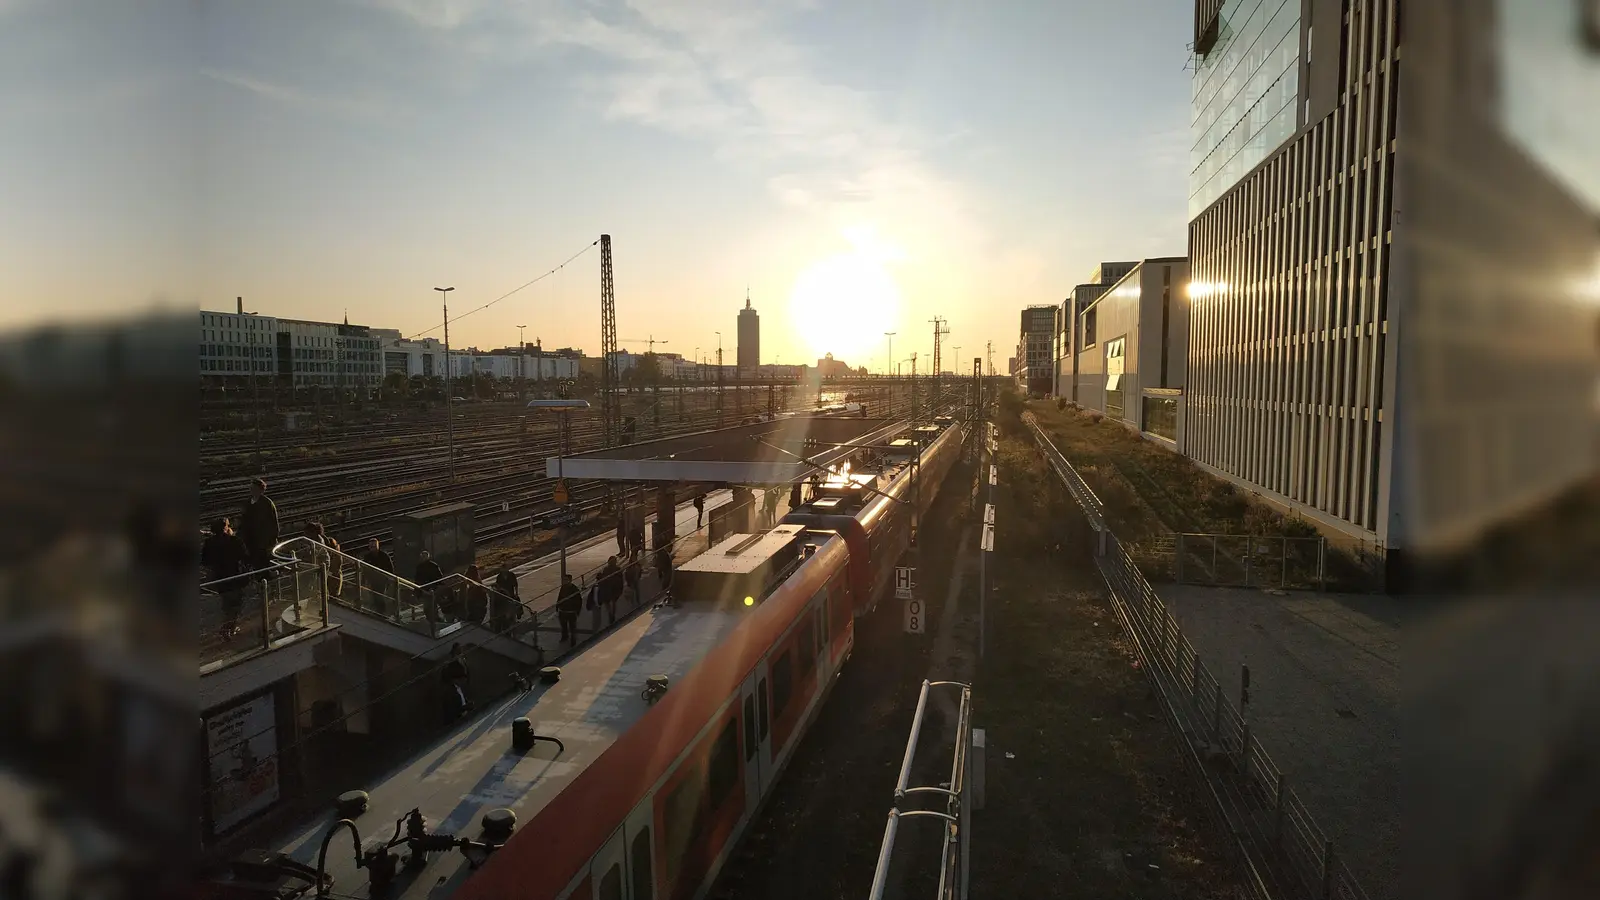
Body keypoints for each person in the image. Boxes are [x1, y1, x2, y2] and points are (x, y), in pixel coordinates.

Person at [201, 518, 248, 640]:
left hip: (219, 577)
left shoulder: (209, 543)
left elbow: (204, 561)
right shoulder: (234, 540)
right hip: (235, 575)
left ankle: (228, 627)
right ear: (226, 528)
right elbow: (244, 555)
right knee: (236, 603)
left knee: (227, 603)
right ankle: (228, 628)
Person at [238, 478, 279, 586]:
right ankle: (259, 584)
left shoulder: (267, 503)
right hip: (250, 540)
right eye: (251, 488)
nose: (251, 490)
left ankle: (266, 587)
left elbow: (274, 523)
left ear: (261, 490)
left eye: (254, 488)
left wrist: (272, 540)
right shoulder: (247, 503)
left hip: (262, 541)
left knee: (263, 565)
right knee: (254, 564)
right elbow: (243, 521)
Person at [361, 538, 396, 616]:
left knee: (380, 595)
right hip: (372, 580)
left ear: (378, 546)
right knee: (374, 596)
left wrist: (390, 579)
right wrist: (363, 581)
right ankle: (377, 611)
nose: (373, 548)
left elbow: (390, 568)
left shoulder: (384, 556)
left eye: (374, 546)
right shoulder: (367, 557)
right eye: (371, 546)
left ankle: (381, 612)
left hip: (382, 580)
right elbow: (365, 569)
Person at [441, 643, 471, 719]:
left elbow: (466, 669)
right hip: (458, 681)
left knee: (462, 696)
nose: (461, 650)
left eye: (461, 649)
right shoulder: (452, 661)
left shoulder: (463, 658)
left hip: (462, 682)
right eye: (459, 649)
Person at [415, 551, 445, 626]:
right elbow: (439, 577)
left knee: (428, 606)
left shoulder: (419, 567)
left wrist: (417, 591)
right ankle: (435, 619)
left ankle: (431, 620)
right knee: (433, 605)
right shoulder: (434, 565)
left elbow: (417, 580)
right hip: (433, 588)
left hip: (424, 589)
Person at [556, 573, 583, 645]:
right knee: (563, 625)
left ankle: (573, 640)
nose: (565, 581)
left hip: (571, 611)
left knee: (572, 627)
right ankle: (565, 637)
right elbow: (559, 597)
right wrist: (557, 606)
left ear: (570, 580)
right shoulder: (563, 587)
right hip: (563, 611)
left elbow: (579, 600)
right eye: (564, 580)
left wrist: (577, 611)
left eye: (566, 580)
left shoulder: (574, 589)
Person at [598, 556, 624, 625]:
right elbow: (621, 579)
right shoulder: (618, 569)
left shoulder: (606, 569)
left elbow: (604, 579)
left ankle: (610, 613)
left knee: (607, 602)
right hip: (615, 588)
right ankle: (612, 614)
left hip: (608, 588)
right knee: (613, 602)